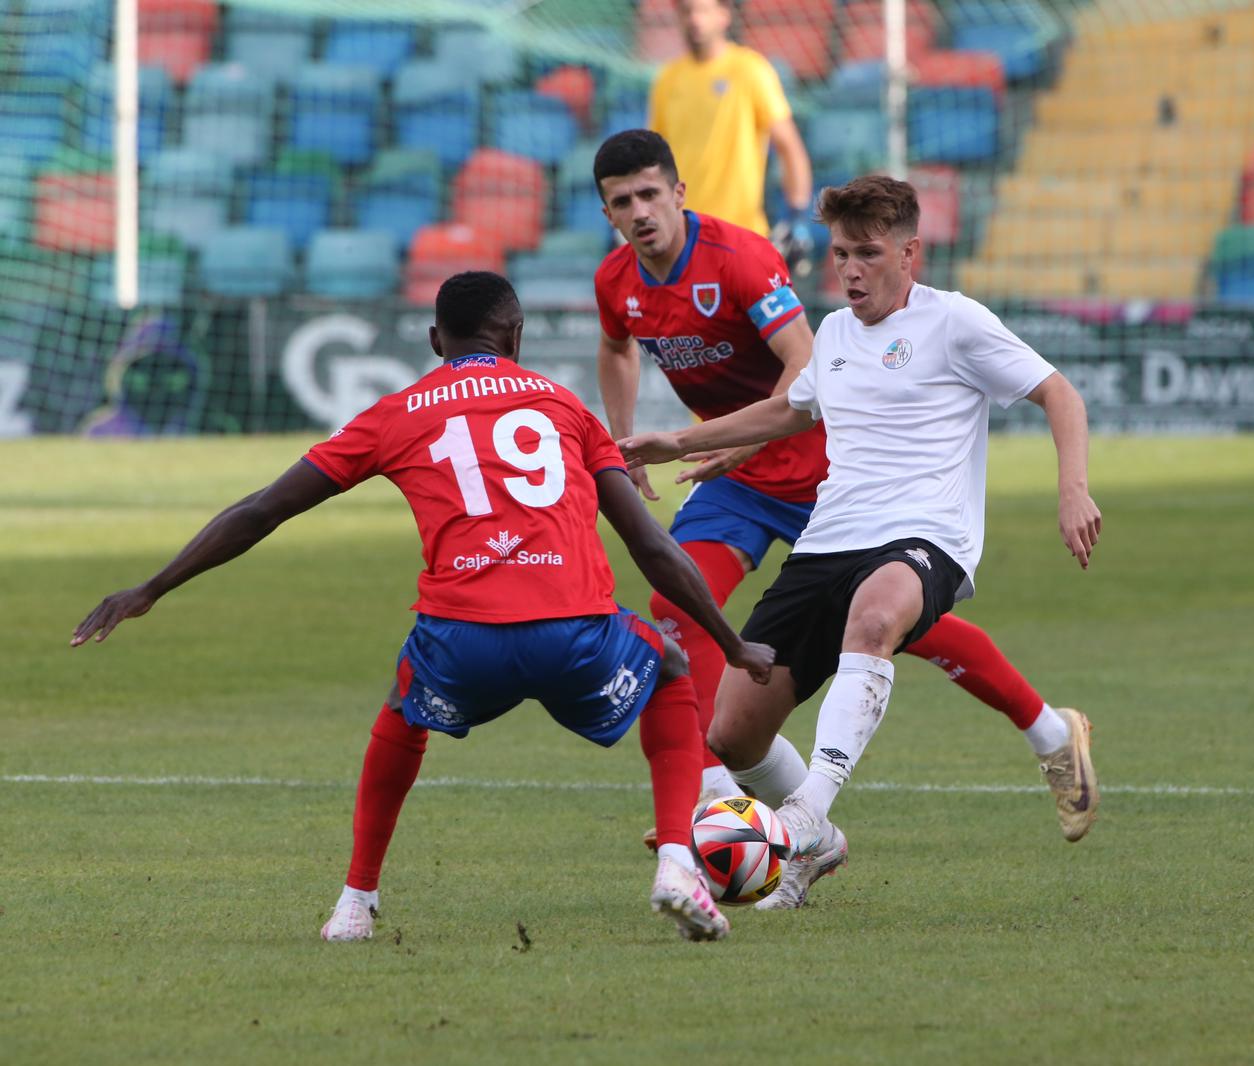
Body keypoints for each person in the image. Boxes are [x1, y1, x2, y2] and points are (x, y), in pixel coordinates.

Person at [70, 271, 774, 943]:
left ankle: (355, 903)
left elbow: (262, 510)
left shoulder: (395, 413)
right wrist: (732, 643)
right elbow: (651, 546)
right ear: (517, 334)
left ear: (436, 340)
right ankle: (678, 862)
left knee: (403, 710)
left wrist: (152, 588)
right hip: (576, 635)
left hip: (463, 644)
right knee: (672, 663)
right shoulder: (567, 408)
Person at [591, 129, 1094, 846]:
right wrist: (667, 439)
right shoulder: (635, 286)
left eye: (868, 253)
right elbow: (789, 394)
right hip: (781, 497)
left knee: (887, 618)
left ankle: (809, 814)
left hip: (828, 484)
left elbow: (1056, 392)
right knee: (688, 613)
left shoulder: (755, 264)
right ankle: (735, 795)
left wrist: (1072, 489)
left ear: (677, 191)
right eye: (841, 255)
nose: (850, 270)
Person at [650, 0, 817, 271]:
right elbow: (654, 159)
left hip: (741, 235)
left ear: (723, 15)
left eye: (702, 10)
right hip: (682, 237)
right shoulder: (667, 79)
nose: (694, 19)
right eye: (686, 11)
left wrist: (797, 217)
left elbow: (789, 147)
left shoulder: (750, 70)